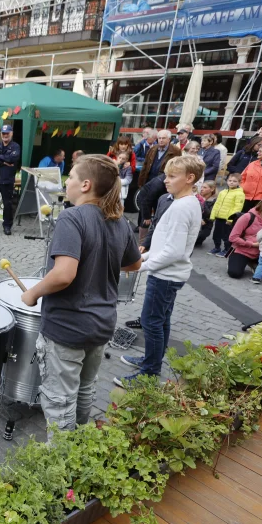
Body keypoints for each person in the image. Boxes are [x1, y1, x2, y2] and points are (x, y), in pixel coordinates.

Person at [20, 155, 141, 434]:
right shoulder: (119, 221)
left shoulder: (71, 217)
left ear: (85, 185)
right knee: (85, 389)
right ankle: (81, 443)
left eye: (71, 177)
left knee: (60, 400)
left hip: (68, 327)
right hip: (101, 324)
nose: (67, 182)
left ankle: (62, 456)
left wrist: (33, 294)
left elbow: (64, 274)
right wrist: (102, 260)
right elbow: (135, 264)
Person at [117, 155, 204, 386]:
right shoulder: (185, 202)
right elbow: (165, 246)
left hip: (165, 277)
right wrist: (141, 257)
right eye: (166, 175)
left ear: (190, 178)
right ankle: (151, 360)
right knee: (161, 320)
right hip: (169, 274)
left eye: (172, 176)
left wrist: (140, 266)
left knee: (151, 322)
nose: (165, 180)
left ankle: (150, 371)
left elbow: (173, 252)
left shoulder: (182, 207)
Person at [226, 194, 262, 279]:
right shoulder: (247, 216)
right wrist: (252, 244)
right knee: (235, 273)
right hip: (243, 250)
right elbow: (233, 237)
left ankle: (253, 262)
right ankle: (237, 261)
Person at [239, 142, 262, 212]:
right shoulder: (252, 164)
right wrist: (243, 187)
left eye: (260, 151)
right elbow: (242, 177)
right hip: (246, 197)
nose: (257, 153)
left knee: (258, 217)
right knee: (244, 216)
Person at [196, 181, 217, 247]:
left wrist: (204, 202)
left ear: (212, 189)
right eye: (201, 187)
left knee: (201, 236)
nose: (202, 189)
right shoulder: (196, 197)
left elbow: (209, 214)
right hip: (196, 219)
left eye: (205, 187)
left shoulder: (215, 200)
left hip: (207, 222)